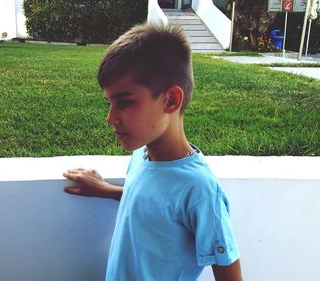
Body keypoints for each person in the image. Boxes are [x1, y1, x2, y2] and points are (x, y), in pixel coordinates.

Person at [63, 24, 243, 281]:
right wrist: (104, 189)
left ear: (170, 100)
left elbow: (229, 273)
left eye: (124, 102)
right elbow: (153, 201)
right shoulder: (141, 155)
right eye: (109, 103)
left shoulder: (200, 190)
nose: (110, 117)